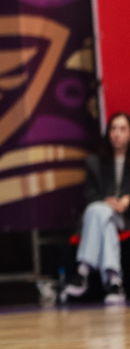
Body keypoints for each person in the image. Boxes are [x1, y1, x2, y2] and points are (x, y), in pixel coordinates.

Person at [62, 112, 130, 305]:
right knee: (101, 214)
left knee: (98, 212)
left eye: (122, 129)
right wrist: (106, 201)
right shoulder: (95, 162)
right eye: (113, 128)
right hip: (103, 214)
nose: (117, 134)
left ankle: (83, 269)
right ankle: (114, 280)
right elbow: (89, 195)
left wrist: (127, 200)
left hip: (125, 216)